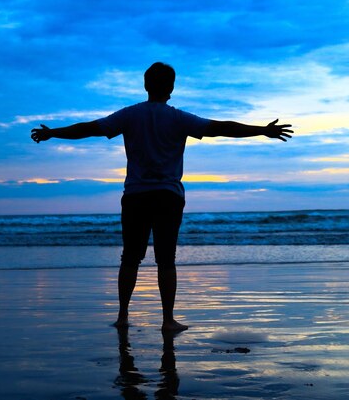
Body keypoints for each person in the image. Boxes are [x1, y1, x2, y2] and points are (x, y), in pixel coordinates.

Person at [31, 62, 292, 332]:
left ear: (145, 85)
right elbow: (221, 127)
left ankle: (123, 316)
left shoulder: (130, 115)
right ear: (172, 88)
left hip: (135, 196)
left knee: (130, 258)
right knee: (166, 259)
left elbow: (90, 128)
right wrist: (262, 130)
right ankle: (168, 320)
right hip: (168, 196)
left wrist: (53, 133)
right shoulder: (179, 118)